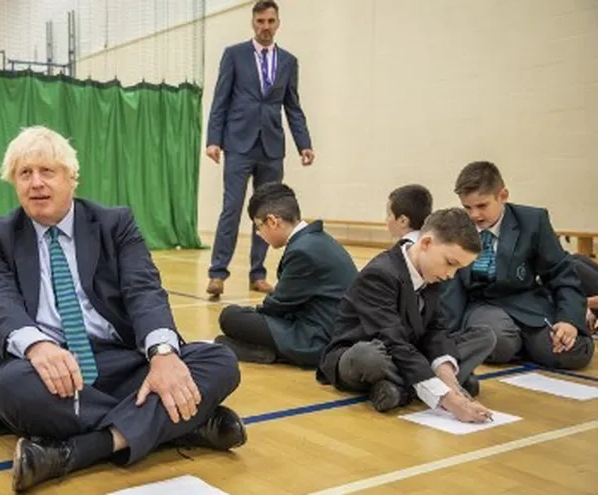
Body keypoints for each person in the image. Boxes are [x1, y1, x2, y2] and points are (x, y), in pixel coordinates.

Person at [0, 126, 246, 492]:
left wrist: (162, 355)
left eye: (47, 171)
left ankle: (84, 449)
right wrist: (38, 347)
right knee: (9, 387)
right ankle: (185, 423)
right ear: (14, 183)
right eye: (25, 173)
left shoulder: (115, 223)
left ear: (72, 178)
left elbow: (143, 288)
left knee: (220, 360)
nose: (36, 183)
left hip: (122, 361)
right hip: (49, 371)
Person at [317, 208, 496, 421]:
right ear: (426, 243)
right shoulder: (380, 274)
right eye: (450, 263)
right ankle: (422, 388)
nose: (451, 275)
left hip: (407, 351)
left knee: (484, 337)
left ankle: (401, 391)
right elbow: (392, 340)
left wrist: (447, 375)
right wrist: (449, 399)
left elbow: (435, 329)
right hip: (367, 354)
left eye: (459, 269)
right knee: (369, 356)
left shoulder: (431, 271)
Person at [204, 0, 315, 299]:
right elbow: (220, 101)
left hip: (272, 147)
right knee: (232, 208)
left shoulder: (289, 61)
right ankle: (217, 273)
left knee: (269, 213)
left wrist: (304, 144)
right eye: (260, 22)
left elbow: (293, 106)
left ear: (278, 23)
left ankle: (258, 273)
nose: (265, 27)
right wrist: (213, 139)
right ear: (253, 23)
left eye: (270, 21)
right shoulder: (234, 55)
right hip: (238, 144)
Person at [441, 161, 594, 369]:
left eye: (482, 206)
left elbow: (561, 273)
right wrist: (446, 338)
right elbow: (451, 287)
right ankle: (519, 345)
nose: (474, 215)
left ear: (503, 196)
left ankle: (527, 344)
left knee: (572, 352)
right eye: (467, 207)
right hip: (482, 306)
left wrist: (568, 320)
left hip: (527, 305)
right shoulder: (456, 228)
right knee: (499, 341)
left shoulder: (533, 221)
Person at [216, 182, 357, 367]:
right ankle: (259, 349)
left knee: (230, 316)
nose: (259, 233)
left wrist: (251, 314)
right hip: (331, 329)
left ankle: (273, 351)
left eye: (258, 226)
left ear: (273, 221)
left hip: (319, 340)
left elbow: (277, 305)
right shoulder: (313, 240)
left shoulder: (303, 251)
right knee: (235, 326)